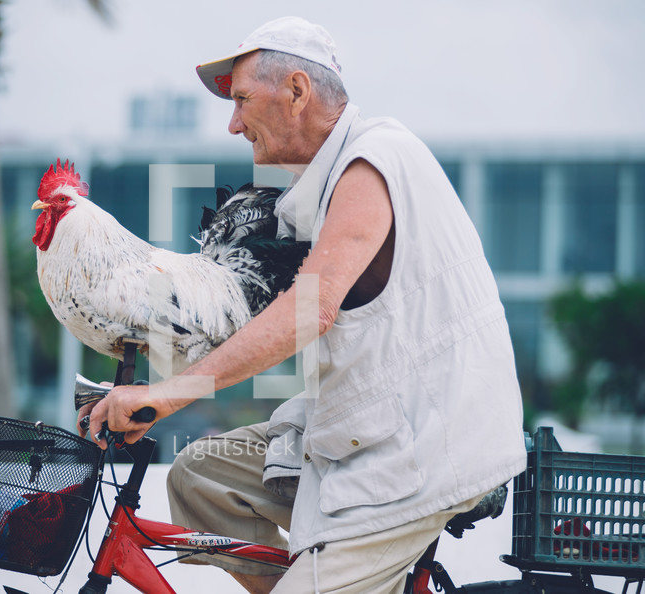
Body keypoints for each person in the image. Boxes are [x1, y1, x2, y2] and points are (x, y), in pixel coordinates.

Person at [80, 16, 527, 594]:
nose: (234, 124)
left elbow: (306, 311)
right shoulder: (326, 184)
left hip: (421, 449)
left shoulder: (373, 162)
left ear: (296, 90)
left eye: (241, 100)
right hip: (368, 430)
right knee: (199, 474)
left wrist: (167, 394)